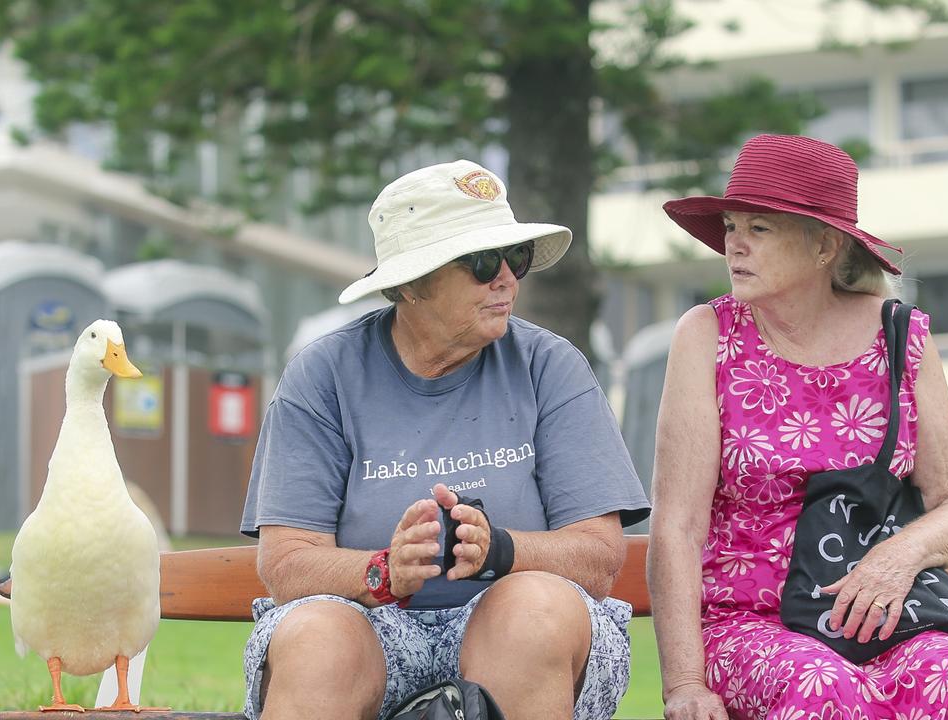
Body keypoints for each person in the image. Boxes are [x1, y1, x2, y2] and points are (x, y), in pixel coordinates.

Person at [239, 160, 651, 720]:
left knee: (530, 611)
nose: (507, 278)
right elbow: (286, 564)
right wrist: (383, 570)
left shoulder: (550, 366)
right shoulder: (322, 375)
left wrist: (501, 550)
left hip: (522, 631)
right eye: (483, 263)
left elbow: (601, 559)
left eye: (517, 258)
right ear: (410, 284)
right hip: (371, 622)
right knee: (317, 641)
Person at [647, 135, 948, 720]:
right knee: (819, 686)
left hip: (879, 615)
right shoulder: (707, 335)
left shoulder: (903, 337)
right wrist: (685, 686)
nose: (734, 245)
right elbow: (677, 526)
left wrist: (900, 557)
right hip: (748, 621)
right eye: (731, 226)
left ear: (825, 246)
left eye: (760, 228)